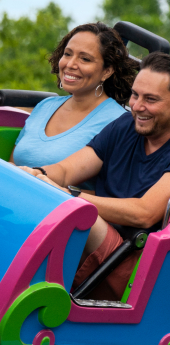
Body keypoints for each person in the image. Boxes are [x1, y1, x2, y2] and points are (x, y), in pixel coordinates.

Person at [20, 52, 170, 301]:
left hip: (135, 264)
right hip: (103, 247)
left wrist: (69, 197)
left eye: (151, 99)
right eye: (135, 95)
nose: (137, 106)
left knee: (78, 216)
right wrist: (38, 174)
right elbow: (68, 169)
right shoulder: (125, 126)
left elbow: (144, 213)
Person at [10, 23, 137, 180]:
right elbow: (12, 163)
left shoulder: (119, 122)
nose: (70, 64)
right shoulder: (45, 106)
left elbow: (111, 193)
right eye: (68, 54)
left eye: (85, 59)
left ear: (107, 71)